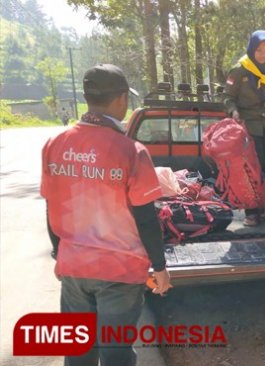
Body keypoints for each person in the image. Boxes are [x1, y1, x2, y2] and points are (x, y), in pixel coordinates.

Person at [41, 64, 172, 366]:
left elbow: (50, 205)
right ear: (122, 99)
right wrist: (160, 267)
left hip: (74, 267)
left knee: (79, 352)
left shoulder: (54, 144)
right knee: (116, 354)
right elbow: (145, 217)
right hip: (119, 271)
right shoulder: (131, 151)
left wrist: (60, 253)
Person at [223, 30, 265, 226]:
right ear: (252, 49)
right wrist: (233, 111)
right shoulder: (239, 71)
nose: (262, 54)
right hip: (249, 127)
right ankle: (252, 212)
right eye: (258, 50)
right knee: (251, 170)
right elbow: (227, 98)